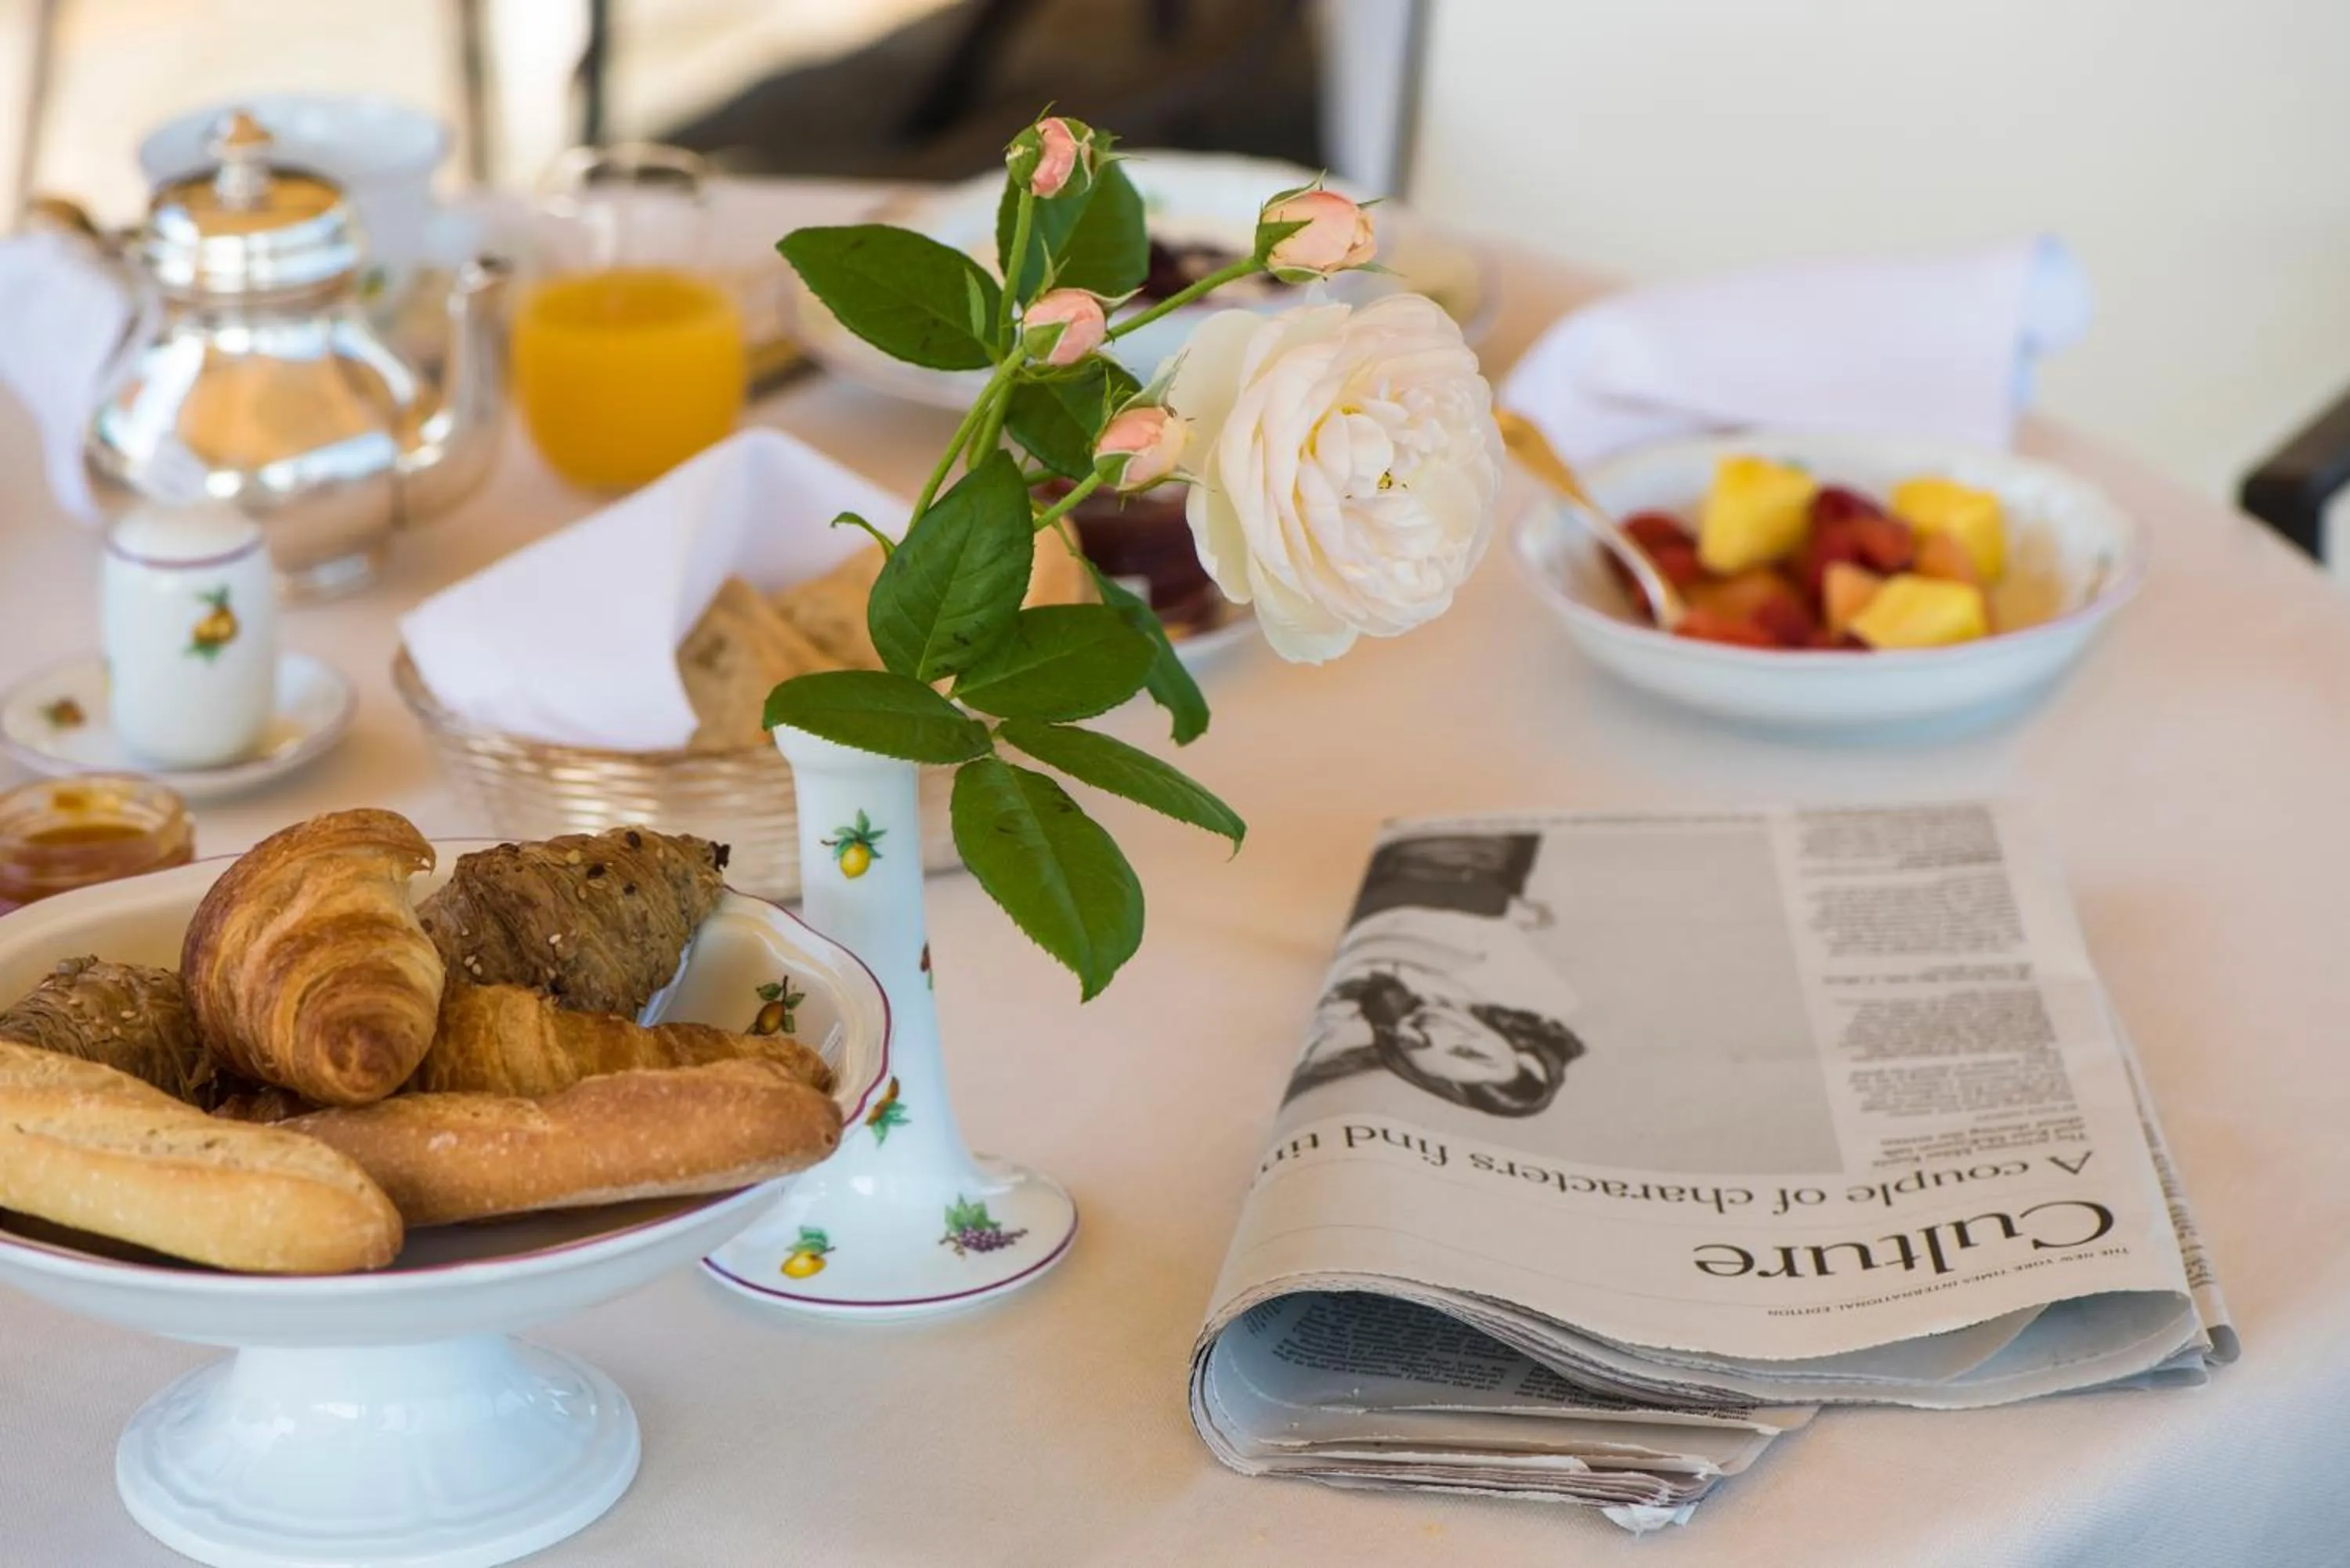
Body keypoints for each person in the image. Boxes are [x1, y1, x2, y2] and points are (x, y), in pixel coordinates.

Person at [1282, 830, 1587, 1118]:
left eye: (1418, 1045)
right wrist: (1496, 904)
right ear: (1525, 1058)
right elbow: (1392, 911)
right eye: (1470, 1051)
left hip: (1368, 871)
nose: (1434, 1032)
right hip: (1461, 858)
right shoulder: (1539, 998)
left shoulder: (1388, 1009)